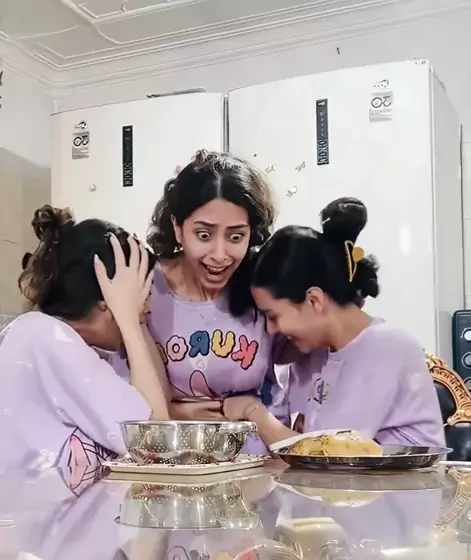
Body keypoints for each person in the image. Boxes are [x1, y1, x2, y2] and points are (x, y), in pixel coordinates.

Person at [222, 197, 445, 448]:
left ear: (314, 300)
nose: (271, 329)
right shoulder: (311, 353)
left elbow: (328, 452)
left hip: (404, 476)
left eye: (273, 316)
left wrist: (253, 411)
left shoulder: (386, 346)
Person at [113, 150, 289, 452]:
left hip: (260, 463)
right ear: (177, 227)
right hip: (170, 459)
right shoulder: (143, 286)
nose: (220, 255)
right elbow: (115, 393)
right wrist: (172, 412)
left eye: (236, 237)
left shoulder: (262, 287)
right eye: (204, 235)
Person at [0, 205, 169, 471]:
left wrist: (131, 322)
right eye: (144, 294)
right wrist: (128, 319)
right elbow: (156, 442)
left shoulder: (82, 348)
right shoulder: (46, 337)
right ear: (106, 300)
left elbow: (157, 407)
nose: (148, 308)